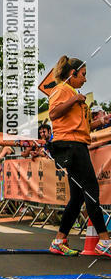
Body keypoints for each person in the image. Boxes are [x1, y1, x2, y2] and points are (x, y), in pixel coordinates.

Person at [48, 56, 111, 256]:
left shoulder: (71, 92)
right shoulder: (61, 90)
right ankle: (104, 240)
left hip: (77, 143)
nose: (85, 79)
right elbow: (53, 113)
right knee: (91, 189)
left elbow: (78, 125)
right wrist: (75, 99)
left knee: (77, 197)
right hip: (70, 145)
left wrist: (100, 123)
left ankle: (59, 240)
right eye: (83, 75)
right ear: (72, 73)